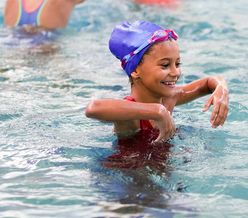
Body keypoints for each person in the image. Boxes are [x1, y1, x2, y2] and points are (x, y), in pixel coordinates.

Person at [86, 21, 229, 142]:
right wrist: (157, 111)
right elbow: (93, 108)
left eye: (177, 64)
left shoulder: (169, 98)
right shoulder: (130, 116)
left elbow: (208, 83)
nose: (175, 73)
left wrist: (221, 87)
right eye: (165, 65)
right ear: (135, 70)